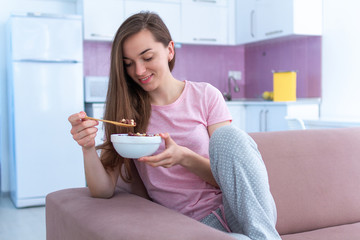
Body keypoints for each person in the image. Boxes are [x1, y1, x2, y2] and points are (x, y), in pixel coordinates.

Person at [68, 12, 281, 240]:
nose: (139, 71)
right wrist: (87, 147)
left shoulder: (206, 95)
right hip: (190, 225)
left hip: (238, 209)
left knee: (228, 136)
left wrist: (184, 158)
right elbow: (103, 190)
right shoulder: (126, 114)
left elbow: (228, 177)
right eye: (128, 64)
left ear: (170, 50)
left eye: (147, 58)